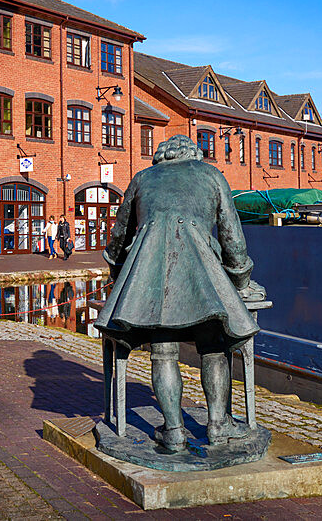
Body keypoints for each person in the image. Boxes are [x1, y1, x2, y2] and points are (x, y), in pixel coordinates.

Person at [94, 134, 264, 452]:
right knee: (214, 348)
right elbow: (233, 238)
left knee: (163, 350)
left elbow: (118, 234)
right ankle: (218, 425)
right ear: (193, 154)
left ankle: (173, 431)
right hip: (205, 277)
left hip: (153, 276)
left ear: (162, 156)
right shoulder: (212, 175)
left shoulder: (143, 178)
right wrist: (240, 282)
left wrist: (119, 276)